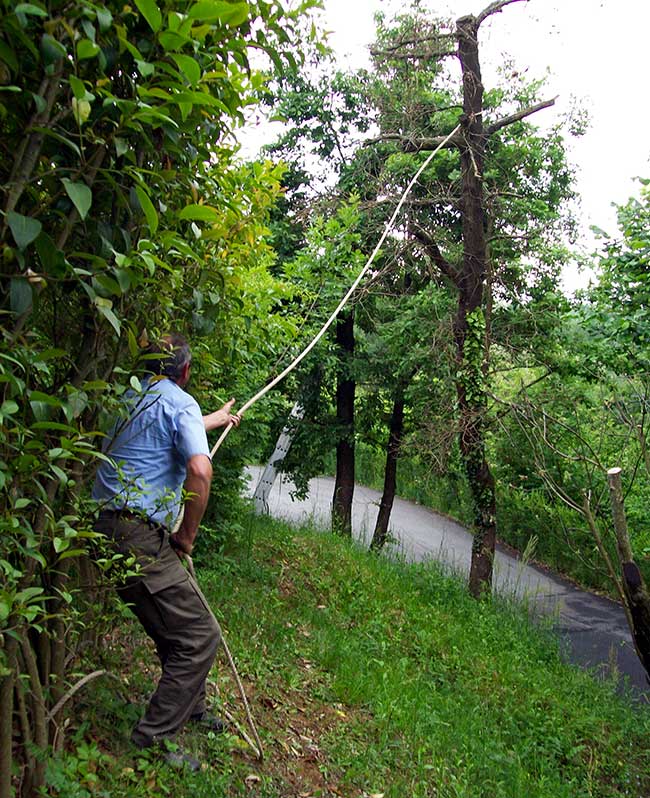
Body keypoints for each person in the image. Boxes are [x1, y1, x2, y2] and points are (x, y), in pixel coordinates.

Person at [93, 333, 240, 771]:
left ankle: (191, 708)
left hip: (103, 529)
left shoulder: (128, 398)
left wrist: (213, 419)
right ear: (186, 372)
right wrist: (186, 538)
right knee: (199, 635)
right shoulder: (181, 404)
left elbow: (163, 426)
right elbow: (199, 469)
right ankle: (152, 739)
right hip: (138, 534)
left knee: (175, 625)